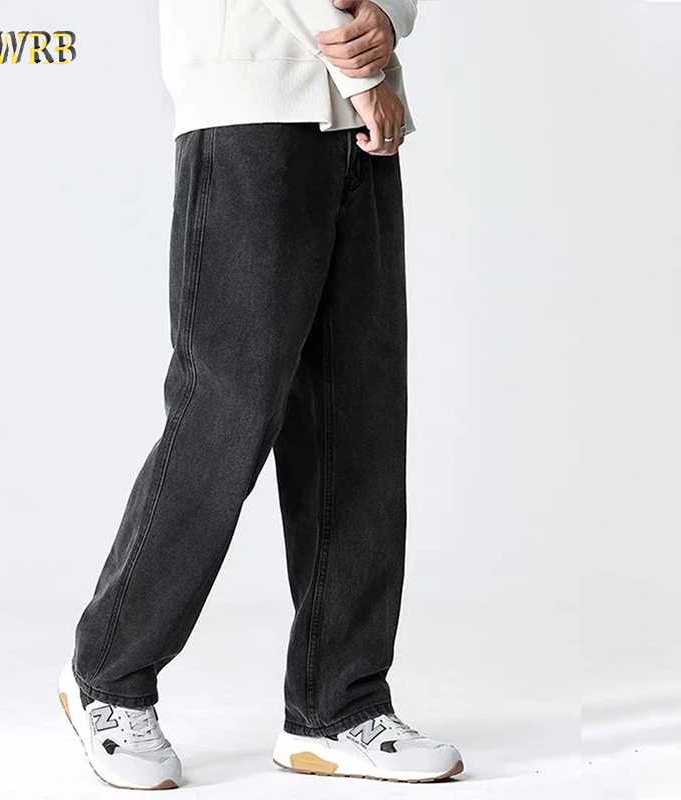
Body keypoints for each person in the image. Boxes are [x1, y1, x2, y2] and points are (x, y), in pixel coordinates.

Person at [58, 0, 464, 789]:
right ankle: (107, 674)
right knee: (227, 411)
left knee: (359, 416)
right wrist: (364, 71)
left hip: (356, 124)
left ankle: (337, 706)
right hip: (252, 112)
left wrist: (388, 17)